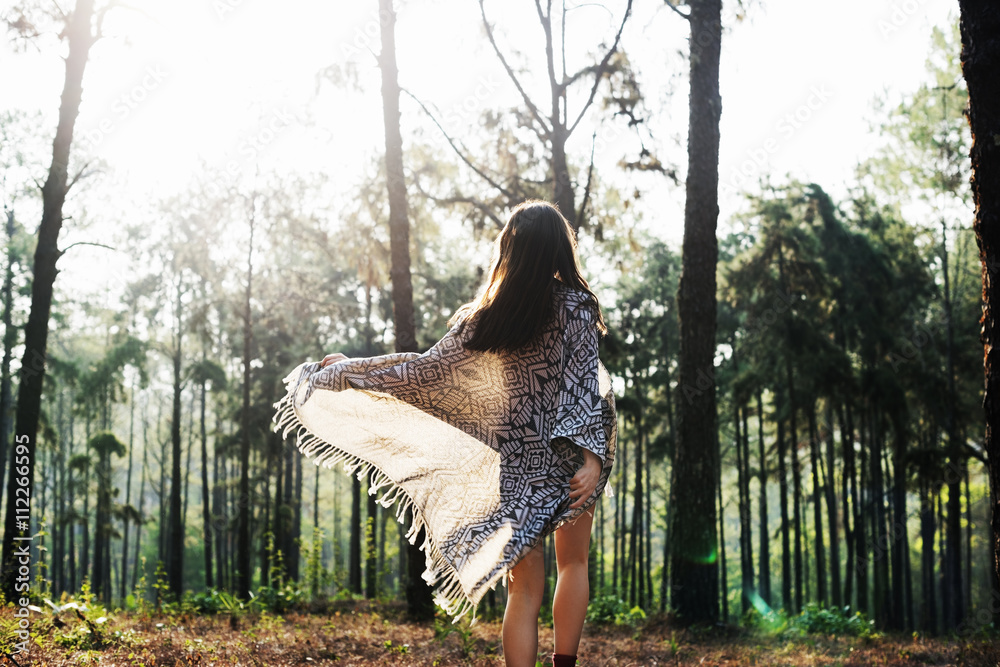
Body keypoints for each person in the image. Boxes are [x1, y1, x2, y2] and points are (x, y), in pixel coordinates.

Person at [275, 199, 616, 667]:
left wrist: (349, 370)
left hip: (518, 463)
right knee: (573, 563)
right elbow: (583, 385)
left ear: (510, 250)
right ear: (560, 248)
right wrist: (592, 458)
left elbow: (423, 372)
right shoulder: (576, 307)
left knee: (525, 586)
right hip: (571, 458)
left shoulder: (489, 316)